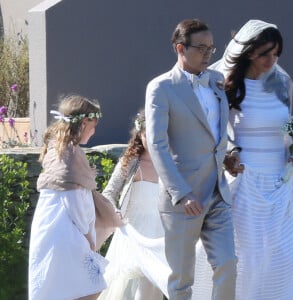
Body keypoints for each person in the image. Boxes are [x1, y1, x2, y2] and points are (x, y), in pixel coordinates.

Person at [207, 19, 293, 299]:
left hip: (283, 183)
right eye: (265, 54)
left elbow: (287, 129)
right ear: (249, 52)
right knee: (247, 257)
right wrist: (229, 155)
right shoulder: (224, 85)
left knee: (284, 255)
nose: (272, 60)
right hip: (245, 181)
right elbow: (216, 132)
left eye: (276, 54)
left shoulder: (283, 84)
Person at [145, 18, 237, 300]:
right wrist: (181, 193)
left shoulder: (217, 81)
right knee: (182, 281)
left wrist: (229, 156)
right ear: (180, 48)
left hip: (218, 192)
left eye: (211, 48)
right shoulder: (160, 88)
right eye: (201, 48)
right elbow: (157, 145)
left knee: (228, 265)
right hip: (183, 200)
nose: (209, 54)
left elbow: (216, 131)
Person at [29, 95, 109, 300]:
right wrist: (88, 236)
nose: (94, 131)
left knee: (63, 288)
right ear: (83, 123)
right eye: (93, 125)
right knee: (89, 286)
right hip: (66, 231)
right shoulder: (69, 154)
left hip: (52, 227)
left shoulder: (59, 149)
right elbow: (74, 200)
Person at [99, 110, 165, 300]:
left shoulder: (168, 164)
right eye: (147, 135)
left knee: (151, 287)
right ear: (140, 135)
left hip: (159, 235)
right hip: (134, 233)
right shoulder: (130, 163)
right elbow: (109, 193)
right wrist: (115, 212)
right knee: (125, 285)